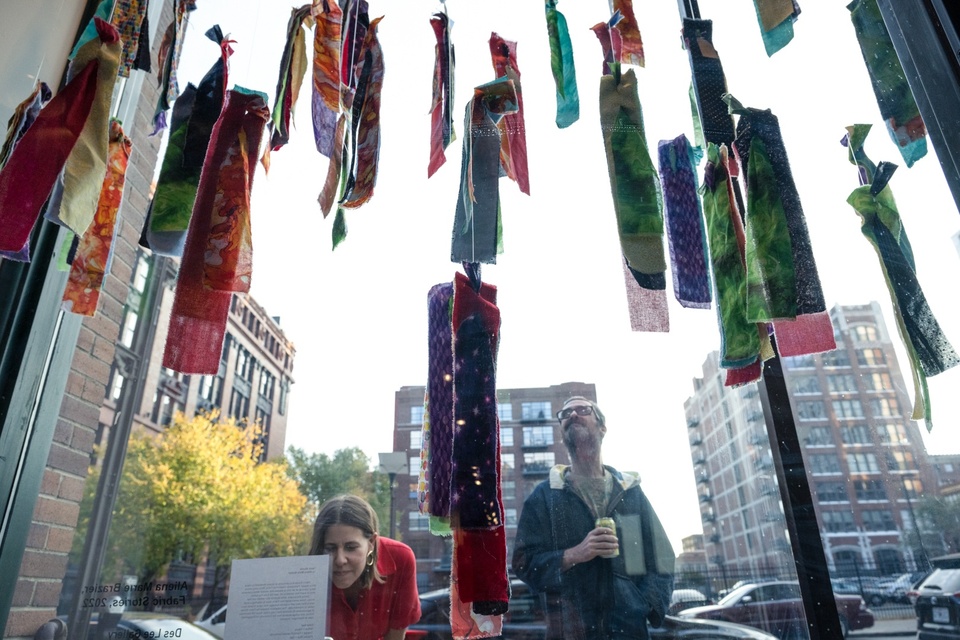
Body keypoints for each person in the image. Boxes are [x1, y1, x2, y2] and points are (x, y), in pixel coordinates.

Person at [512, 396, 675, 640]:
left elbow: (662, 557)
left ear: (602, 428)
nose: (572, 415)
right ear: (561, 433)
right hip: (569, 632)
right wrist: (575, 554)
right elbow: (523, 562)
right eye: (565, 414)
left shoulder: (630, 492)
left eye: (582, 409)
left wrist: (644, 605)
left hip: (629, 633)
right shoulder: (544, 497)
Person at [310, 495, 421, 640]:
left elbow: (395, 636)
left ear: (371, 543)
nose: (340, 560)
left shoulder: (400, 560)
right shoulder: (309, 573)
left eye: (350, 547)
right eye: (330, 548)